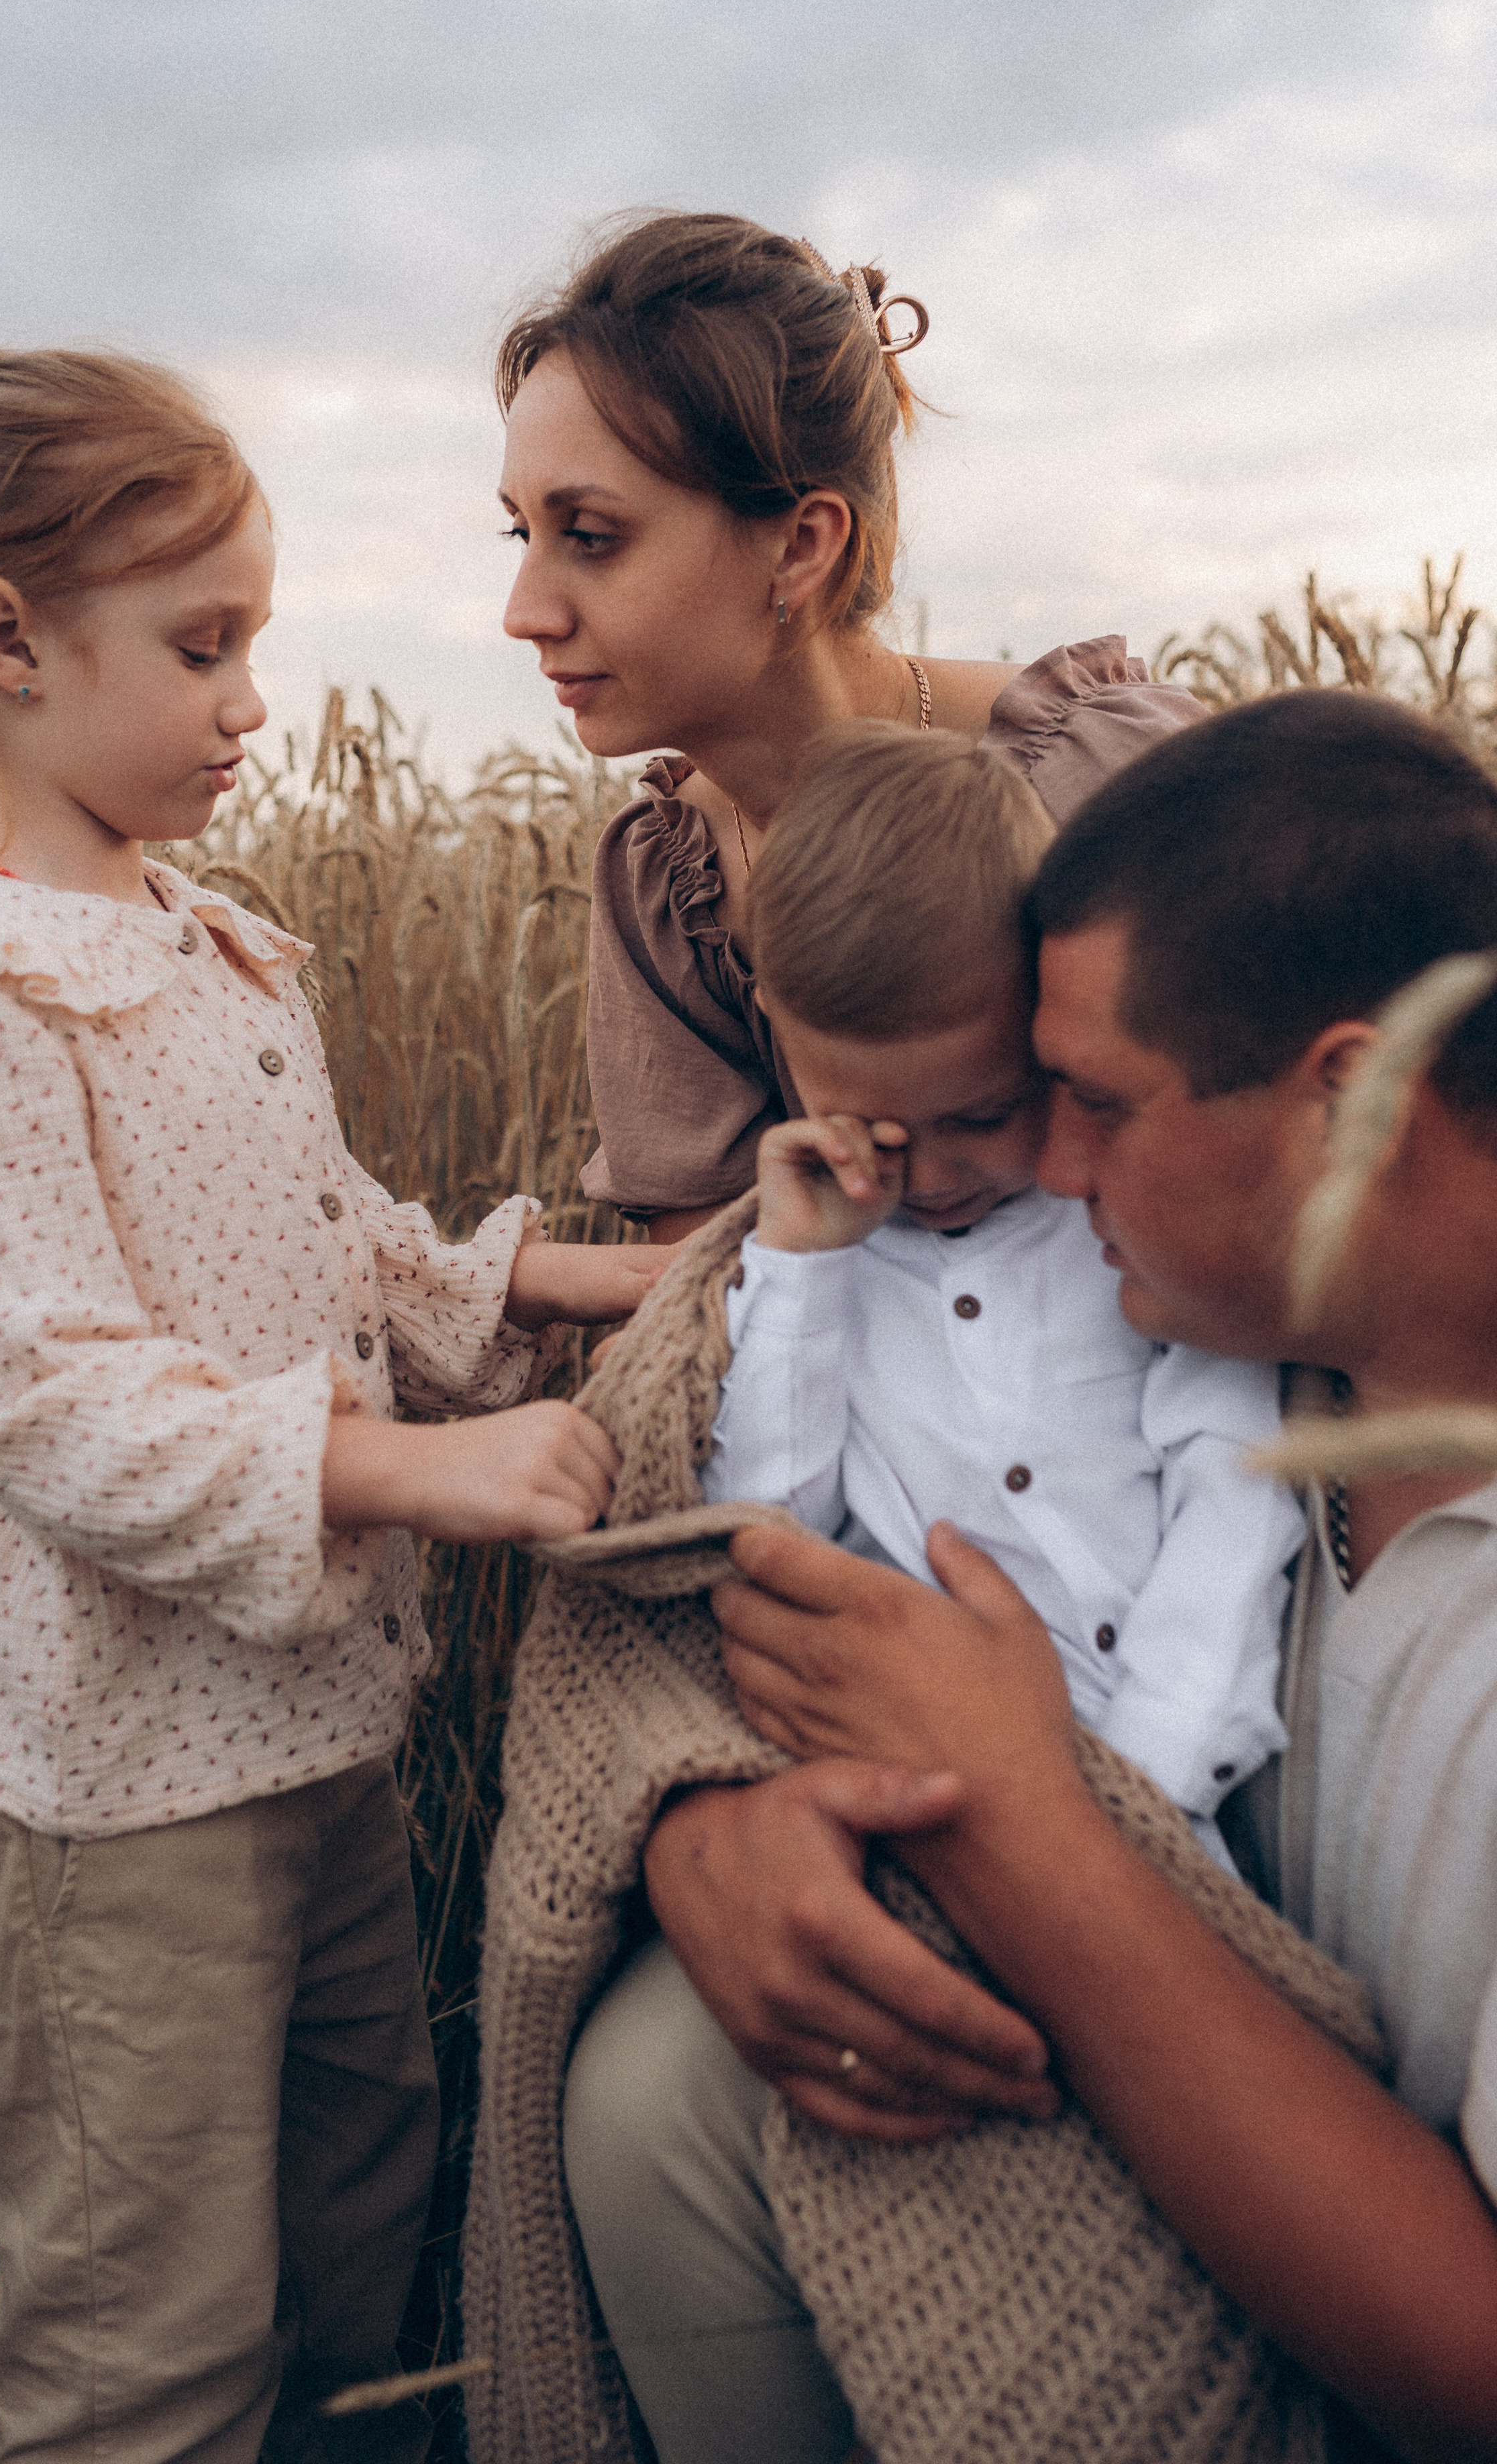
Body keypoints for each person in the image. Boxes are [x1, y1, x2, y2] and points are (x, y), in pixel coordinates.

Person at [0, 328, 666, 2464]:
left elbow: (328, 1242)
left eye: (255, 647)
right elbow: (53, 1411)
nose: (251, 703)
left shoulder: (208, 949)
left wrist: (558, 1279)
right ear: (9, 641)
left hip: (313, 1748)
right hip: (111, 1815)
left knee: (360, 2223)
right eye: (202, 648)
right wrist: (417, 1470)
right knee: (151, 2353)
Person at [570, 690, 1497, 2461]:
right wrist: (700, 1821)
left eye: (1093, 1104)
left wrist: (1023, 1826)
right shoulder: (1283, 1347)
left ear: (1352, 1104)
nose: (1046, 1178)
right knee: (650, 2090)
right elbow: (689, 1575)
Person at [496, 209, 1206, 1234]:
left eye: (592, 536)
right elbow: (719, 1289)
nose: (524, 611)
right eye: (520, 533)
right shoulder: (665, 894)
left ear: (800, 546)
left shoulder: (1114, 783)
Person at [699, 722, 1302, 1860]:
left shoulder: (1125, 1241)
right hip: (909, 1803)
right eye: (873, 1128)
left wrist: (1150, 1779)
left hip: (1170, 1799)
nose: (928, 1177)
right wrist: (805, 1270)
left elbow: (1235, 1481)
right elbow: (765, 1529)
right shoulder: (807, 1269)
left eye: (982, 1116)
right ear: (779, 1029)